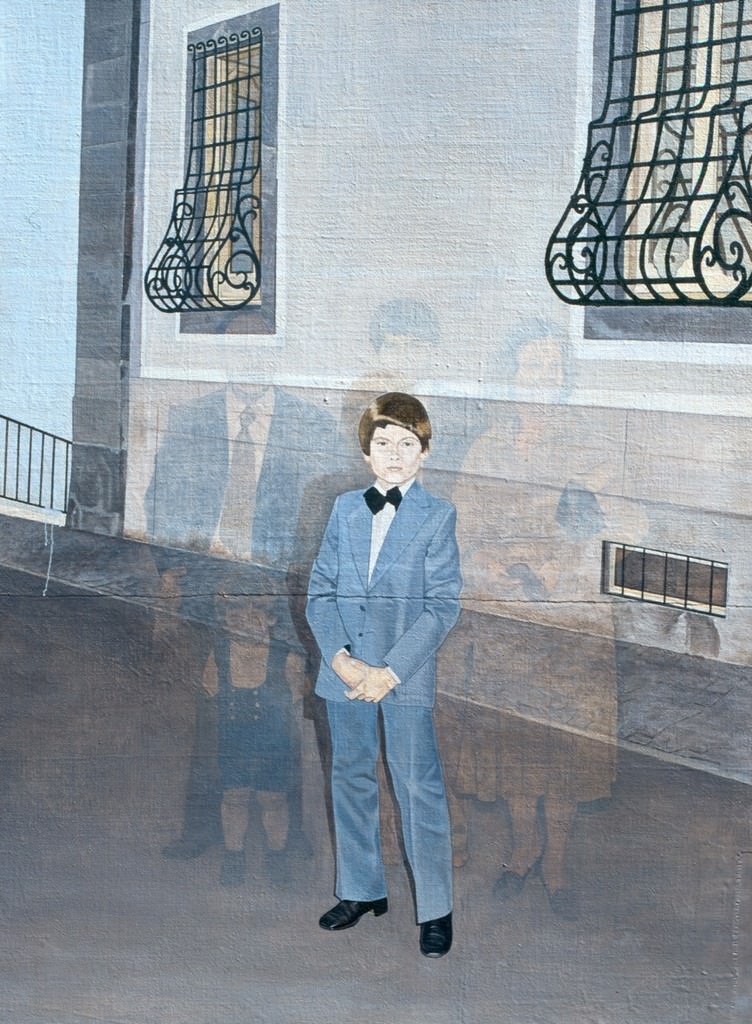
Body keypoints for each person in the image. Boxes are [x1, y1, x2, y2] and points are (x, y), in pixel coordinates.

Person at [306, 393, 462, 958]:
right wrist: (339, 657)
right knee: (350, 775)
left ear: (424, 452)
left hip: (403, 676)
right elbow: (320, 590)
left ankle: (436, 910)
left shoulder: (437, 515)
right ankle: (361, 889)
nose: (394, 454)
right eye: (382, 443)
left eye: (406, 443)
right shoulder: (345, 508)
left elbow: (441, 607)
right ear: (366, 454)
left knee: (417, 786)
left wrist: (390, 673)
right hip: (345, 672)